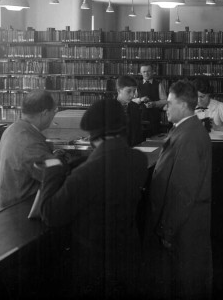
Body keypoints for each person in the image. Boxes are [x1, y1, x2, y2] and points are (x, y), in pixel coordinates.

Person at [34, 98, 149, 298]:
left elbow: (51, 214)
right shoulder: (139, 159)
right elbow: (110, 162)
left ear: (94, 134)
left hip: (94, 264)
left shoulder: (87, 173)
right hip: (127, 257)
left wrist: (53, 169)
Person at [149, 80, 213, 299]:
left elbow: (183, 190)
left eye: (169, 103)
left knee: (186, 282)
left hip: (183, 224)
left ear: (184, 105)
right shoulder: (186, 130)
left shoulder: (188, 136)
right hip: (184, 221)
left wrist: (167, 229)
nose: (166, 107)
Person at [0, 89, 60, 210]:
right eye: (54, 111)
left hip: (8, 205)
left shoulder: (13, 129)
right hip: (23, 211)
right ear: (45, 113)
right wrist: (60, 161)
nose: (53, 116)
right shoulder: (30, 142)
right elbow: (53, 174)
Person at [133, 63, 167, 137]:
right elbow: (131, 100)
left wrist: (154, 103)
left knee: (154, 138)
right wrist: (140, 99)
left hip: (154, 117)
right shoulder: (137, 85)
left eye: (148, 71)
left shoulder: (159, 84)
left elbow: (165, 100)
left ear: (152, 72)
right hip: (140, 117)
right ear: (140, 73)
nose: (146, 73)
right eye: (144, 72)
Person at [116, 74, 143, 146]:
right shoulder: (110, 108)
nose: (132, 95)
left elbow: (138, 133)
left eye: (134, 91)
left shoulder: (135, 107)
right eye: (128, 91)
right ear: (119, 90)